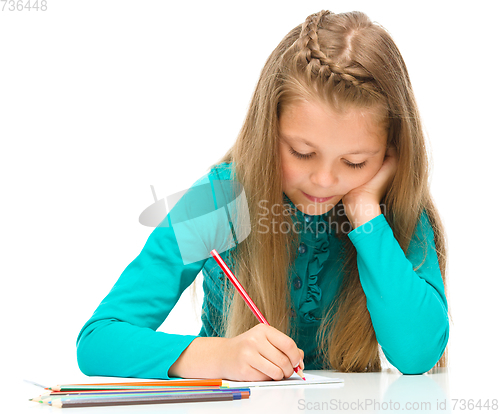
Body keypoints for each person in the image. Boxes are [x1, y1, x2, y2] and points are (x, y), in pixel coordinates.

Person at [76, 10, 450, 381]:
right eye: (302, 152)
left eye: (354, 162)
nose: (322, 180)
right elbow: (99, 340)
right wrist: (218, 356)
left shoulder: (389, 209)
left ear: (390, 152)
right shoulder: (221, 201)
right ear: (268, 129)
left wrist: (366, 215)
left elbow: (417, 355)